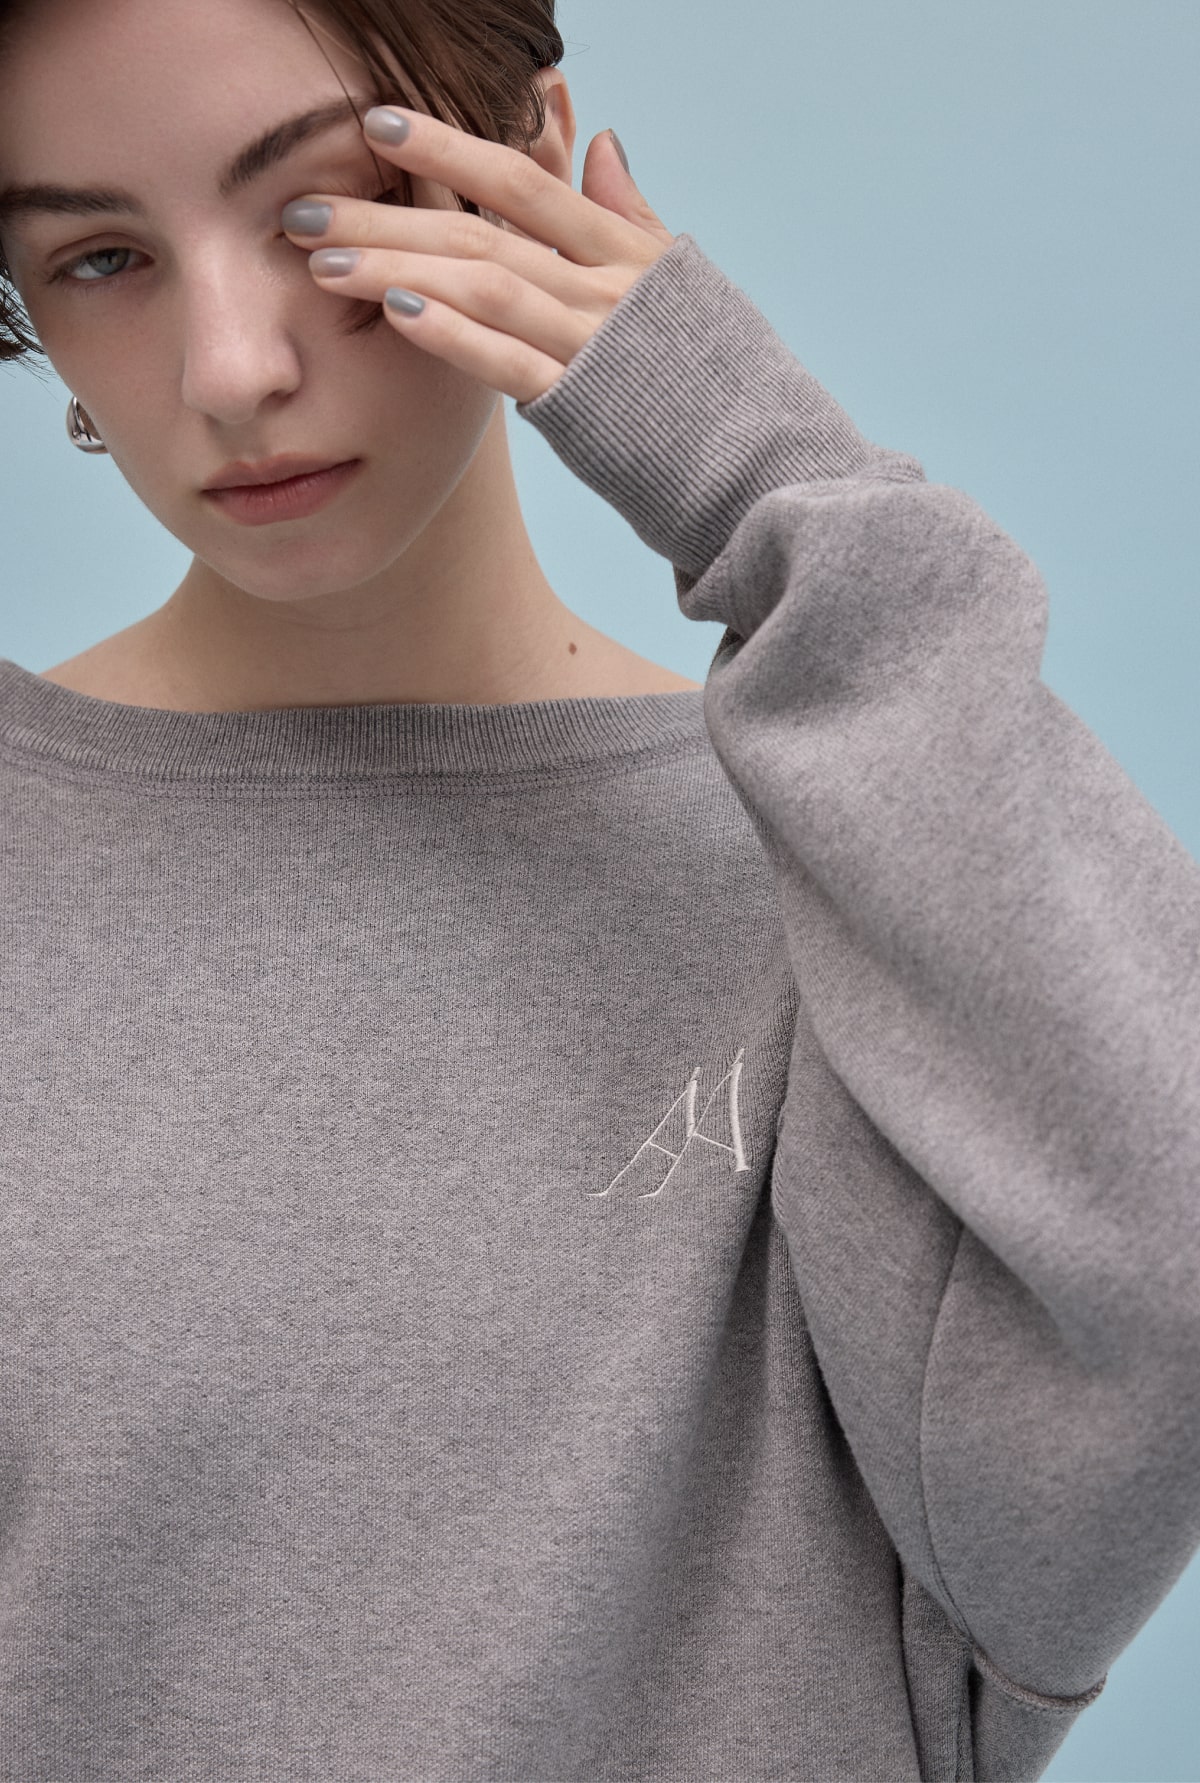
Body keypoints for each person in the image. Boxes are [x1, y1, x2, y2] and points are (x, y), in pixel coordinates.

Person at [1, 1, 1197, 1778]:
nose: (231, 369)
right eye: (101, 260)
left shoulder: (861, 887)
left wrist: (756, 468)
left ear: (531, 157)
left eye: (321, 209)